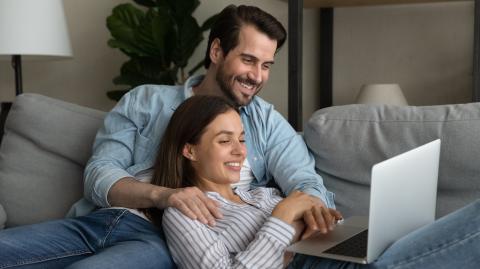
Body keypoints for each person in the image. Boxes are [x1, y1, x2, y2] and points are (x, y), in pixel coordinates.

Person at [0, 5, 335, 268]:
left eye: (266, 65)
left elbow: (306, 183)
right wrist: (165, 196)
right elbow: (100, 174)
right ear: (217, 51)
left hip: (161, 238)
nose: (257, 76)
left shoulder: (265, 122)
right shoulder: (145, 101)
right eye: (248, 60)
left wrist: (300, 216)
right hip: (99, 220)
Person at [151, 94, 480, 269]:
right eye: (225, 141)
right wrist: (284, 216)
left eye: (242, 138)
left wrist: (317, 222)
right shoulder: (183, 213)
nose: (240, 150)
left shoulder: (260, 194)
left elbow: (293, 234)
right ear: (190, 150)